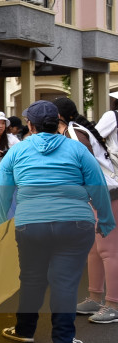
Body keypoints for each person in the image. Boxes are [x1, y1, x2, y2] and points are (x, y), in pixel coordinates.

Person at [0, 100, 115, 343]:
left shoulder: (16, 152)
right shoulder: (77, 149)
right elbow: (97, 186)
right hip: (76, 224)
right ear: (58, 123)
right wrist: (105, 220)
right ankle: (63, 340)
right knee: (66, 282)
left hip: (31, 225)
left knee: (31, 279)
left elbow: (1, 195)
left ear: (29, 125)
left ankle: (25, 331)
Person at [53, 98, 118, 324]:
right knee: (93, 249)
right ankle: (95, 297)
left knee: (108, 250)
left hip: (107, 194)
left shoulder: (73, 133)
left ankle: (113, 303)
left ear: (59, 116)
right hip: (99, 194)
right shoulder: (72, 131)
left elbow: (85, 168)